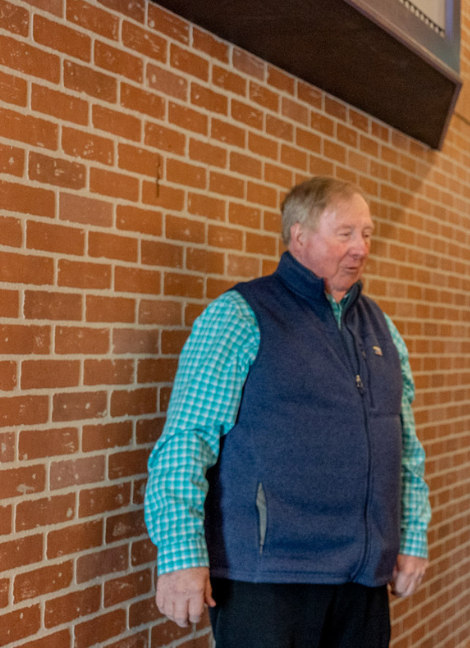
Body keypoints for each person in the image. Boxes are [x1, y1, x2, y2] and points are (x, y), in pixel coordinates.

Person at [144, 176, 430, 648]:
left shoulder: (382, 328)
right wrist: (179, 554)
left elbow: (405, 448)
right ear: (299, 236)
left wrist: (410, 536)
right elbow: (186, 439)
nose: (361, 247)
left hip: (361, 580)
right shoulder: (239, 316)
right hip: (268, 578)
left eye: (368, 234)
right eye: (346, 234)